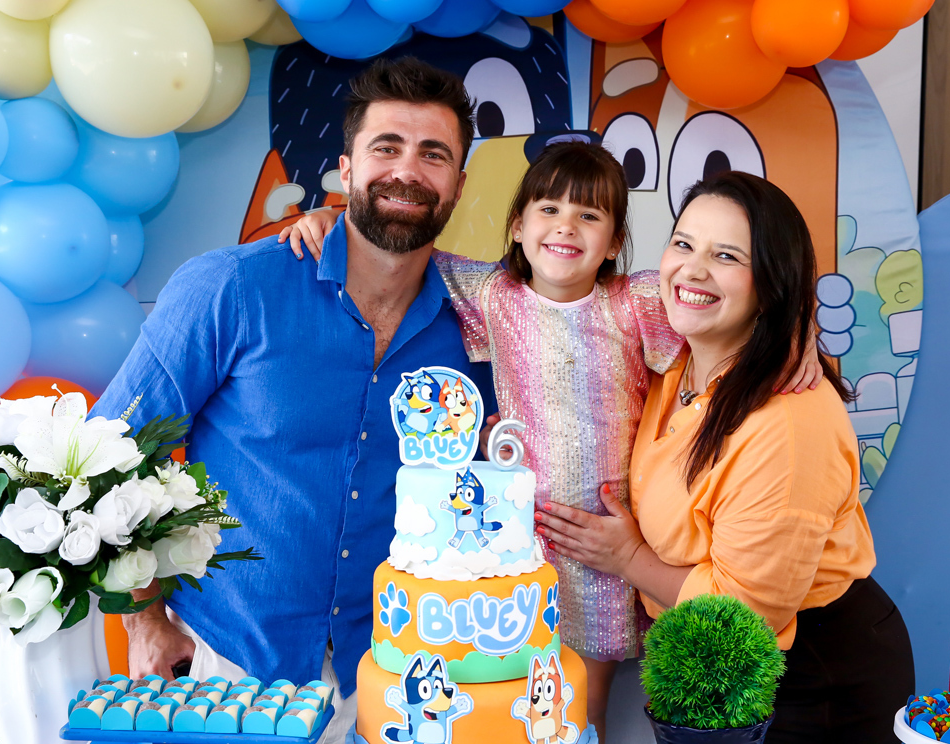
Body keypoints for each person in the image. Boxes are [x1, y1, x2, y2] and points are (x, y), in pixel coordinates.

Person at [279, 144, 823, 741]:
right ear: (518, 226)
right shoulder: (491, 293)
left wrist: (799, 326)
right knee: (509, 696)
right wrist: (335, 219)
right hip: (518, 541)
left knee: (578, 709)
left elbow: (741, 315)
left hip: (609, 545)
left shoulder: (636, 302)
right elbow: (403, 251)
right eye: (548, 209)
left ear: (614, 242)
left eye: (589, 215)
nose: (566, 226)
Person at [90, 56, 493, 744]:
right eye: (386, 148)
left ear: (459, 182)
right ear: (346, 168)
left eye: (434, 154)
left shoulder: (486, 318)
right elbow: (110, 456)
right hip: (227, 663)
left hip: (397, 673)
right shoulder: (232, 288)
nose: (408, 171)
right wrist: (145, 620)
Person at [534, 172, 915, 743]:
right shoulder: (675, 357)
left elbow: (747, 615)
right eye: (683, 244)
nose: (692, 270)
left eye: (727, 256)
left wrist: (628, 557)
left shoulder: (787, 420)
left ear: (772, 282)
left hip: (808, 678)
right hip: (706, 660)